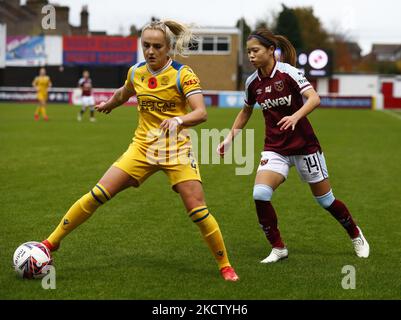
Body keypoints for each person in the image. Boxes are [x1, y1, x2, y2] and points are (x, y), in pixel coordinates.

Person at [41, 20, 239, 281]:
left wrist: (179, 120)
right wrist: (109, 104)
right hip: (142, 148)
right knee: (97, 194)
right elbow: (124, 93)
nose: (150, 51)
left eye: (157, 46)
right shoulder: (136, 72)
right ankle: (49, 244)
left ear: (168, 48)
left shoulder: (183, 74)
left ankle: (225, 266)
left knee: (198, 210)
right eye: (146, 45)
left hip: (176, 151)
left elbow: (201, 112)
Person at [217, 28, 370, 263]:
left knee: (326, 201)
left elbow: (314, 98)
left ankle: (355, 234)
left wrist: (295, 116)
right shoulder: (252, 82)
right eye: (248, 52)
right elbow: (246, 111)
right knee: (260, 194)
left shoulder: (289, 73)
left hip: (304, 146)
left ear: (270, 50)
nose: (251, 56)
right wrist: (229, 138)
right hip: (275, 147)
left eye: (255, 50)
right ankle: (278, 248)